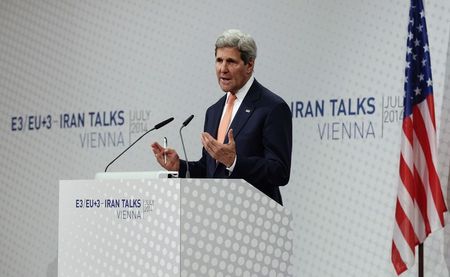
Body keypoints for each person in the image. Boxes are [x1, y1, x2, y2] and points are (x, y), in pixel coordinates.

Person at [152, 29, 292, 205]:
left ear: (249, 65)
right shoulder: (214, 111)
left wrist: (235, 162)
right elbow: (209, 169)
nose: (223, 69)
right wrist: (179, 166)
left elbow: (279, 172)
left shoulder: (272, 107)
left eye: (231, 62)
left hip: (257, 220)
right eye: (219, 60)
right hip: (218, 219)